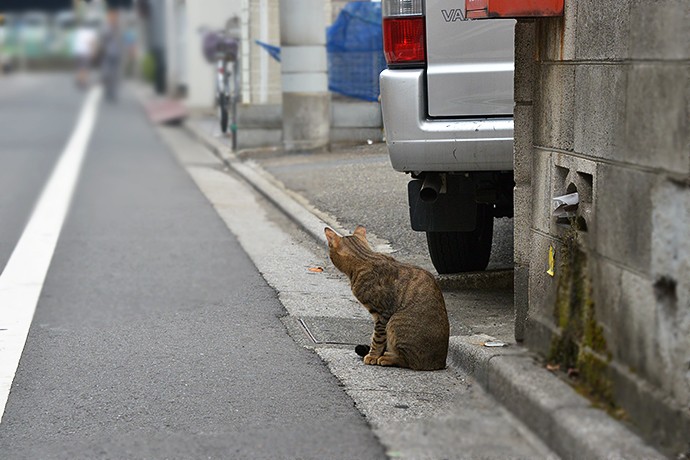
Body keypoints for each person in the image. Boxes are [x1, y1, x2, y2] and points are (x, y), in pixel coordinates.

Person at [99, 9, 128, 102]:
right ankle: (107, 90)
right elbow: (103, 38)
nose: (113, 18)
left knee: (115, 75)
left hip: (117, 54)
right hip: (107, 53)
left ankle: (113, 93)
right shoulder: (106, 27)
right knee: (106, 73)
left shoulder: (119, 27)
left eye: (115, 16)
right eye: (111, 16)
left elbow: (123, 40)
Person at [72, 20, 97, 88]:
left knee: (79, 67)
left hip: (77, 52)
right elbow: (91, 43)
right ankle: (83, 82)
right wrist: (93, 52)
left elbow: (76, 42)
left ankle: (79, 79)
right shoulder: (91, 32)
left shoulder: (79, 31)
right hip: (85, 52)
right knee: (84, 68)